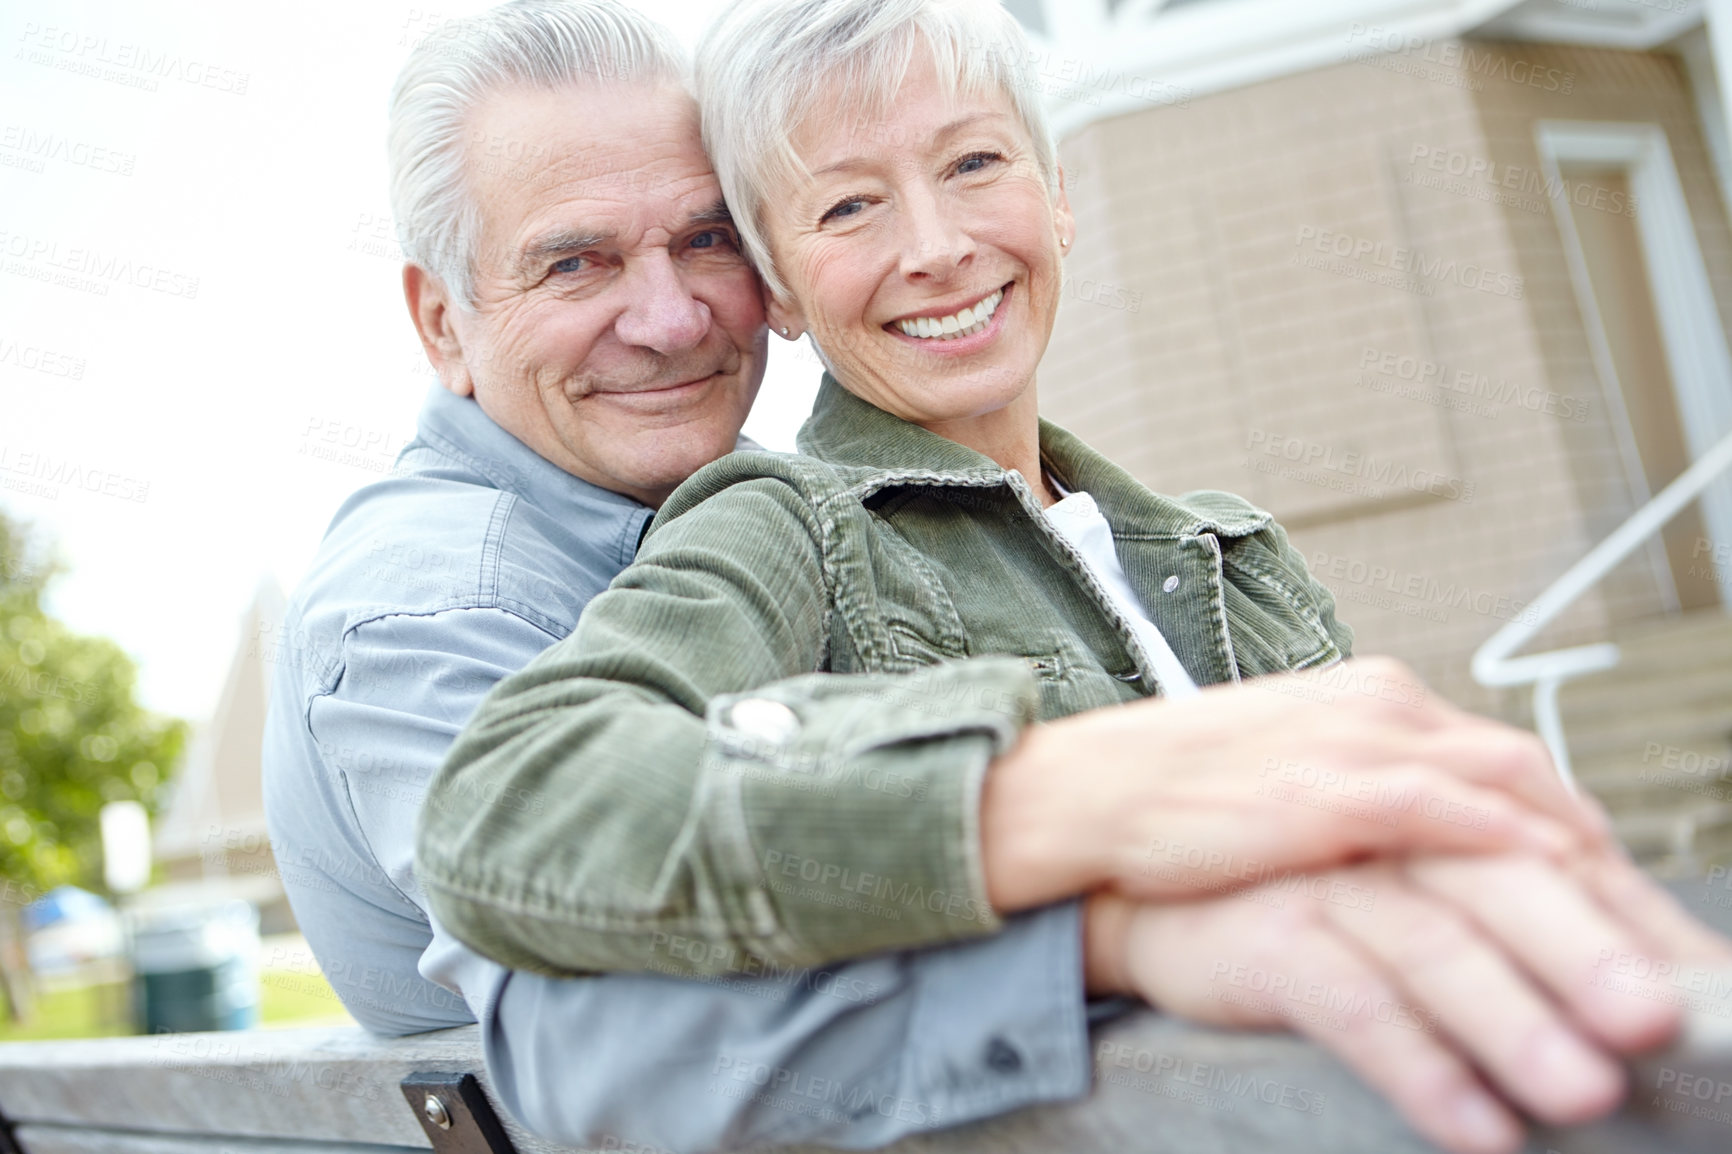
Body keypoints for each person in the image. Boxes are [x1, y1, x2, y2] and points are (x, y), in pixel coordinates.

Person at [419, 3, 1732, 1154]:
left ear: (1058, 196)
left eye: (974, 163)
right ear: (775, 288)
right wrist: (1073, 800)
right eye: (848, 204)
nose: (932, 246)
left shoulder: (1231, 548)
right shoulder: (781, 519)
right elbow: (519, 801)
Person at [263, 3, 1132, 1151]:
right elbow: (619, 1052)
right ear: (443, 323)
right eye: (576, 262)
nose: (671, 320)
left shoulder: (775, 516)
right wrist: (1115, 934)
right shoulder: (437, 607)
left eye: (708, 239)